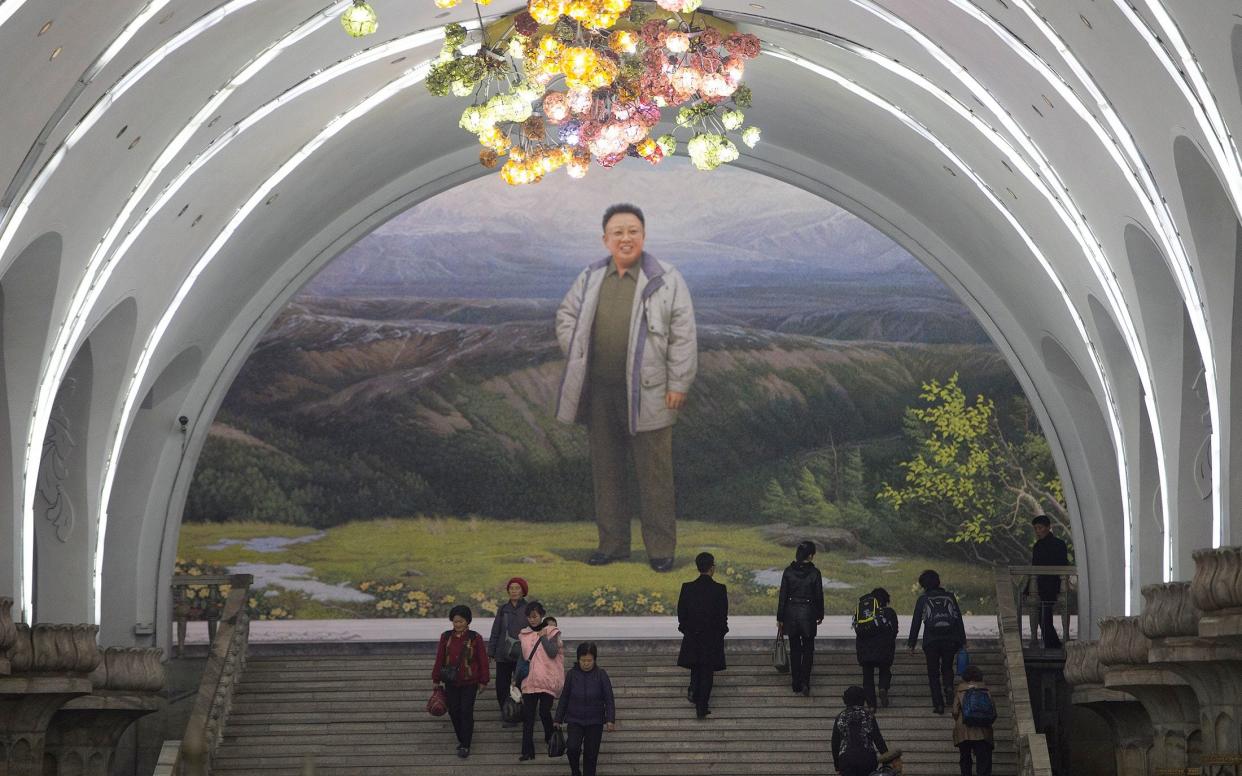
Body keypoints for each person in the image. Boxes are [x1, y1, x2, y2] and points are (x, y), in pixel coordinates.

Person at [555, 203, 698, 572]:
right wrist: (579, 351)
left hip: (651, 392)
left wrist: (678, 382)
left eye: (632, 231)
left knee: (655, 475)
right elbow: (565, 315)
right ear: (605, 239)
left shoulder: (666, 279)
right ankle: (614, 545)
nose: (625, 238)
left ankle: (661, 551)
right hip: (599, 393)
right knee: (607, 472)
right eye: (617, 232)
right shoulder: (590, 277)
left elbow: (684, 336)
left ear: (644, 235)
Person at [432, 605, 489, 759]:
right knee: (453, 711)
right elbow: (440, 658)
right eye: (455, 621)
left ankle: (465, 744)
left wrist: (484, 680)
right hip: (451, 682)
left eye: (460, 621)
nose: (457, 624)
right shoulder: (446, 637)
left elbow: (483, 660)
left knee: (466, 711)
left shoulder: (475, 637)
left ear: (467, 621)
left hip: (470, 682)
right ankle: (462, 738)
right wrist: (436, 679)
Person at [676, 551, 729, 719]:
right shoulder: (719, 589)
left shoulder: (687, 588)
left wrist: (687, 630)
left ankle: (694, 692)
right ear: (712, 568)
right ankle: (702, 705)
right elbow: (722, 616)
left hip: (693, 635)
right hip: (711, 638)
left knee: (695, 667)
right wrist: (721, 632)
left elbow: (681, 614)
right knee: (706, 672)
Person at [907, 569, 966, 714]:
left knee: (933, 673)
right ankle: (949, 687)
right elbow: (958, 619)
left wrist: (911, 644)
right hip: (950, 639)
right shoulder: (950, 596)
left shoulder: (923, 599)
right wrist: (962, 640)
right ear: (938, 581)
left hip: (931, 641)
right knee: (947, 667)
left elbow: (916, 622)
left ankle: (938, 705)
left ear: (923, 585)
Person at [555, 642, 616, 776]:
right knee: (572, 748)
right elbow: (564, 697)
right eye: (583, 660)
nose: (586, 663)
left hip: (595, 721)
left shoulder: (601, 675)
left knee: (591, 754)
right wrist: (558, 718)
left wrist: (610, 719)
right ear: (578, 659)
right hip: (574, 719)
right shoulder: (571, 674)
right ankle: (575, 771)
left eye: (589, 660)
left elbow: (609, 699)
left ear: (594, 660)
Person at [776, 540, 824, 697]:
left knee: (795, 650)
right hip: (808, 614)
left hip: (791, 614)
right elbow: (819, 596)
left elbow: (782, 596)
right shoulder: (815, 573)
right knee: (808, 650)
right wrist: (820, 614)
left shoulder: (788, 571)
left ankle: (796, 683)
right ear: (810, 556)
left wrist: (780, 617)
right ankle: (805, 682)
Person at [517, 601, 564, 761]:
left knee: (544, 711)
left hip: (547, 681)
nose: (532, 619)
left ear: (541, 615)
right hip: (529, 682)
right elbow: (522, 659)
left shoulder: (552, 631)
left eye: (535, 616)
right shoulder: (523, 634)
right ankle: (526, 751)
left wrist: (543, 637)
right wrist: (516, 681)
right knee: (528, 718)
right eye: (529, 617)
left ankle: (551, 740)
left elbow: (552, 652)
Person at [488, 576, 529, 723]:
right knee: (501, 687)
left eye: (517, 588)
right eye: (511, 588)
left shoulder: (529, 608)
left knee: (522, 685)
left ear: (523, 591)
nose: (514, 591)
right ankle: (507, 712)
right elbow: (496, 631)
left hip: (522, 655)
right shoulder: (503, 609)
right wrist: (491, 651)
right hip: (503, 653)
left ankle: (522, 713)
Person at [854, 587, 899, 710]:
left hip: (865, 651)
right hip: (884, 649)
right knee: (885, 670)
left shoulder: (863, 613)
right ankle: (883, 687)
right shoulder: (890, 612)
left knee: (867, 678)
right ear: (886, 600)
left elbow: (858, 632)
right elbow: (894, 631)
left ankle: (871, 705)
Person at [1029, 515, 1069, 649]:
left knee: (1044, 616)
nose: (1037, 531)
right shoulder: (1039, 546)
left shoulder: (1057, 544)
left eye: (1040, 528)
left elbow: (1062, 564)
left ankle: (1053, 645)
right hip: (1041, 585)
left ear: (1048, 528)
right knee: (1043, 616)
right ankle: (1053, 644)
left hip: (1052, 584)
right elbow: (1034, 568)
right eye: (1036, 529)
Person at [831, 686, 888, 776]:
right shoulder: (868, 716)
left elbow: (835, 743)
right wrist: (887, 760)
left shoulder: (840, 717)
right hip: (867, 760)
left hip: (847, 761)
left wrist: (837, 766)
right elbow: (878, 739)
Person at [952, 665, 995, 776]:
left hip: (964, 730)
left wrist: (960, 720)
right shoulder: (985, 690)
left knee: (965, 758)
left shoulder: (960, 690)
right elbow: (993, 711)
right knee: (983, 760)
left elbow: (955, 711)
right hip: (983, 730)